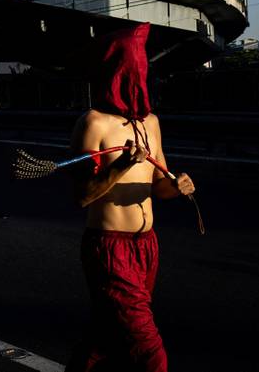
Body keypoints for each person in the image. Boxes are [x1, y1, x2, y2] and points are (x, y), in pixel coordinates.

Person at [65, 23, 195, 372]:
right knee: (150, 353)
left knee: (105, 337)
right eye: (131, 67)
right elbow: (82, 195)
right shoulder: (94, 123)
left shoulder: (150, 122)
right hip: (109, 249)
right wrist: (120, 165)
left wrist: (179, 186)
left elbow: (160, 186)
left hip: (147, 247)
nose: (138, 74)